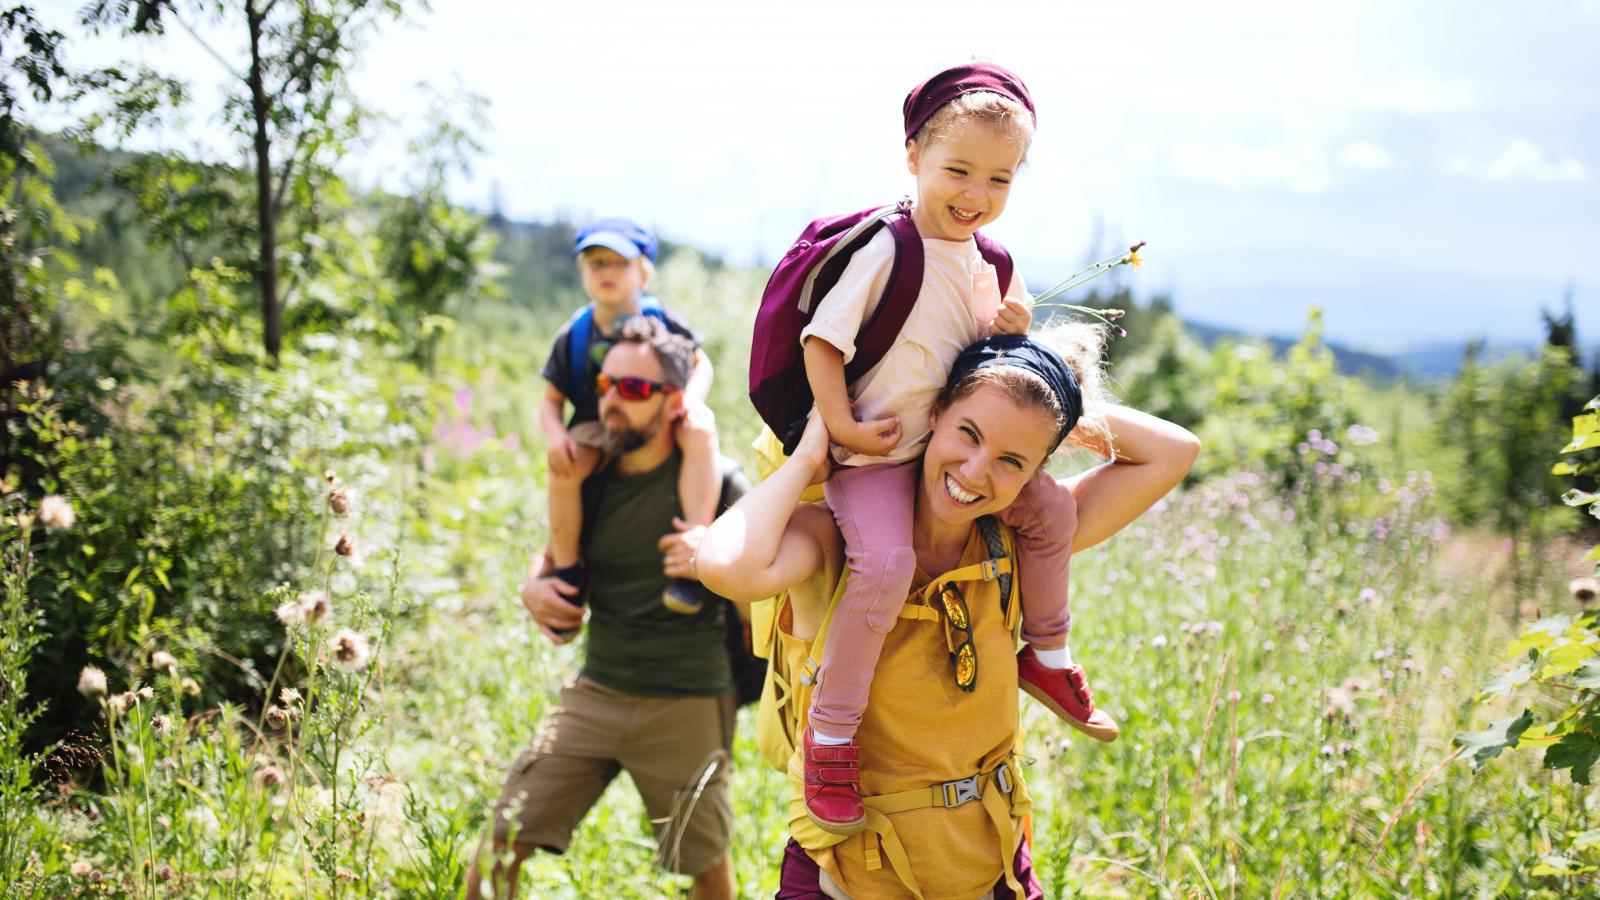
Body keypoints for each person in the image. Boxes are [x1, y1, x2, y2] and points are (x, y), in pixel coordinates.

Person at [698, 329, 1200, 898]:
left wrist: (1039, 397)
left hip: (992, 866)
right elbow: (723, 566)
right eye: (969, 432)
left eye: (1012, 460)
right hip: (848, 875)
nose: (976, 472)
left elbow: (1175, 450)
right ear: (932, 412)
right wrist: (810, 458)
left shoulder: (1019, 543)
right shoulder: (836, 540)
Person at [791, 61, 1115, 835]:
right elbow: (822, 341)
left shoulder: (988, 262)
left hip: (943, 448)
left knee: (1049, 516)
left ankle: (1047, 651)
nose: (976, 194)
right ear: (913, 158)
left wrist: (1008, 324)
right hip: (875, 455)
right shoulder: (888, 248)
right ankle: (831, 736)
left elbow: (987, 354)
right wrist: (838, 426)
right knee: (887, 564)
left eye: (999, 179)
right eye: (958, 170)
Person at [469, 318, 742, 900]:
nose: (612, 399)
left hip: (688, 698)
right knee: (498, 845)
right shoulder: (589, 476)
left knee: (703, 864)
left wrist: (718, 557)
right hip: (598, 689)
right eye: (605, 383)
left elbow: (768, 591)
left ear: (674, 403)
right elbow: (554, 558)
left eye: (634, 389)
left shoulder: (721, 482)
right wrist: (532, 585)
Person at [539, 217, 721, 620]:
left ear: (644, 272)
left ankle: (691, 553)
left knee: (700, 432)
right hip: (595, 423)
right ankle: (569, 572)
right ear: (582, 272)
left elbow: (699, 362)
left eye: (619, 263)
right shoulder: (575, 333)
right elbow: (550, 399)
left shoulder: (664, 321)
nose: (607, 273)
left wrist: (691, 399)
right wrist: (555, 436)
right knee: (564, 470)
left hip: (659, 413)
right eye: (596, 263)